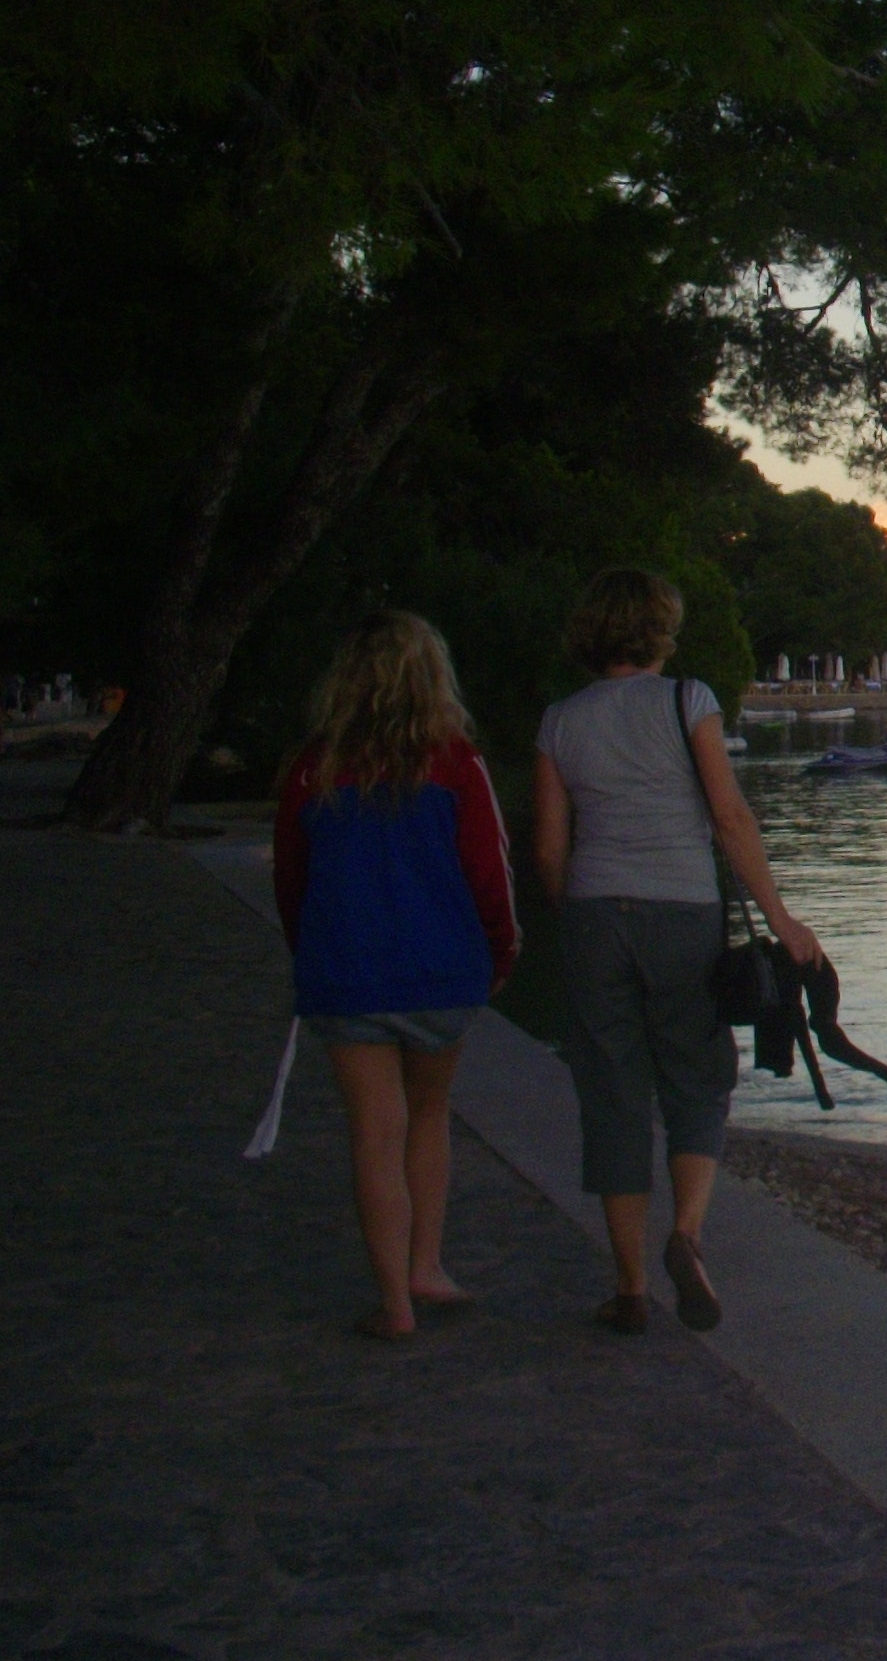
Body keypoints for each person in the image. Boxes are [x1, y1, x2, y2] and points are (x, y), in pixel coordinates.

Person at [535, 567, 816, 1336]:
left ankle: (629, 1289)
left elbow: (550, 848)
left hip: (595, 913)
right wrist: (781, 919)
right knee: (696, 1077)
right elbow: (729, 817)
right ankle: (686, 1235)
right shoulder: (687, 700)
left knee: (613, 1095)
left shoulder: (558, 721)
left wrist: (575, 915)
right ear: (660, 630)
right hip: (682, 914)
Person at [272, 612, 520, 1341]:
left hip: (347, 973)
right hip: (440, 972)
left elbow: (292, 879)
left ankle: (394, 1303)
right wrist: (499, 953)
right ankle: (427, 1265)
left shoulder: (312, 770)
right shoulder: (456, 764)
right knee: (429, 1115)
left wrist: (310, 952)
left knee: (374, 1132)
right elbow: (489, 872)